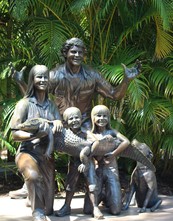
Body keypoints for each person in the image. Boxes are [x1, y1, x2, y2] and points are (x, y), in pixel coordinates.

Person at [9, 37, 141, 198]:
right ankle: (31, 184)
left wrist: (126, 81)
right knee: (36, 143)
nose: (77, 55)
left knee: (94, 147)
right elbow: (34, 97)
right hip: (59, 122)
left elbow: (114, 94)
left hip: (83, 122)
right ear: (66, 53)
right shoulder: (55, 74)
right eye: (73, 51)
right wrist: (20, 82)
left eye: (80, 52)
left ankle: (98, 189)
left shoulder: (93, 75)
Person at [10, 65, 63, 221]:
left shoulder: (52, 105)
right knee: (33, 176)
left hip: (46, 155)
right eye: (39, 77)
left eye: (45, 77)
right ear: (32, 80)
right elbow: (15, 134)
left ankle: (33, 197)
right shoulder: (24, 104)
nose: (43, 80)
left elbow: (59, 126)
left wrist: (59, 122)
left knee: (50, 208)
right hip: (28, 152)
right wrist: (35, 135)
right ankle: (37, 213)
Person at [54, 107, 104, 219]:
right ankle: (66, 206)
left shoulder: (85, 133)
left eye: (77, 117)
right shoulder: (65, 134)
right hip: (74, 161)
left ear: (81, 119)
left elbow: (96, 142)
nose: (75, 120)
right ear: (66, 122)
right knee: (70, 184)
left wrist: (88, 154)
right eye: (71, 118)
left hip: (87, 161)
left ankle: (95, 207)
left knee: (91, 183)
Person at [90, 105, 130, 215]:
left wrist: (113, 154)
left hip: (111, 169)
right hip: (97, 169)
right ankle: (104, 195)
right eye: (98, 115)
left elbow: (126, 142)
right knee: (88, 210)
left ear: (108, 118)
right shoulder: (90, 134)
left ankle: (112, 196)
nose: (102, 118)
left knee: (116, 211)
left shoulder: (112, 132)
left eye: (105, 116)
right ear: (93, 118)